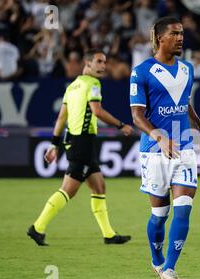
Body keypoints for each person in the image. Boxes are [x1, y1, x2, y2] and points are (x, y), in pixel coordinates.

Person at [130, 16, 200, 279]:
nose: (180, 38)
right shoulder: (141, 72)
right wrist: (158, 137)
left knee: (184, 206)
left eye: (182, 34)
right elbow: (137, 116)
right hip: (154, 151)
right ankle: (156, 259)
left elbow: (183, 102)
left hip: (184, 147)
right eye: (175, 34)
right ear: (160, 38)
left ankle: (170, 268)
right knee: (159, 215)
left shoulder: (187, 68)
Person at [27, 49, 134, 246]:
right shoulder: (93, 84)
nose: (103, 66)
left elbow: (61, 117)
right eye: (99, 61)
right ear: (88, 63)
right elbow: (97, 111)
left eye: (104, 62)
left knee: (99, 186)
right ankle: (37, 227)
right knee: (69, 189)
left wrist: (54, 144)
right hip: (83, 142)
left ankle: (109, 235)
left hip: (75, 140)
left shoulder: (73, 86)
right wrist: (121, 125)